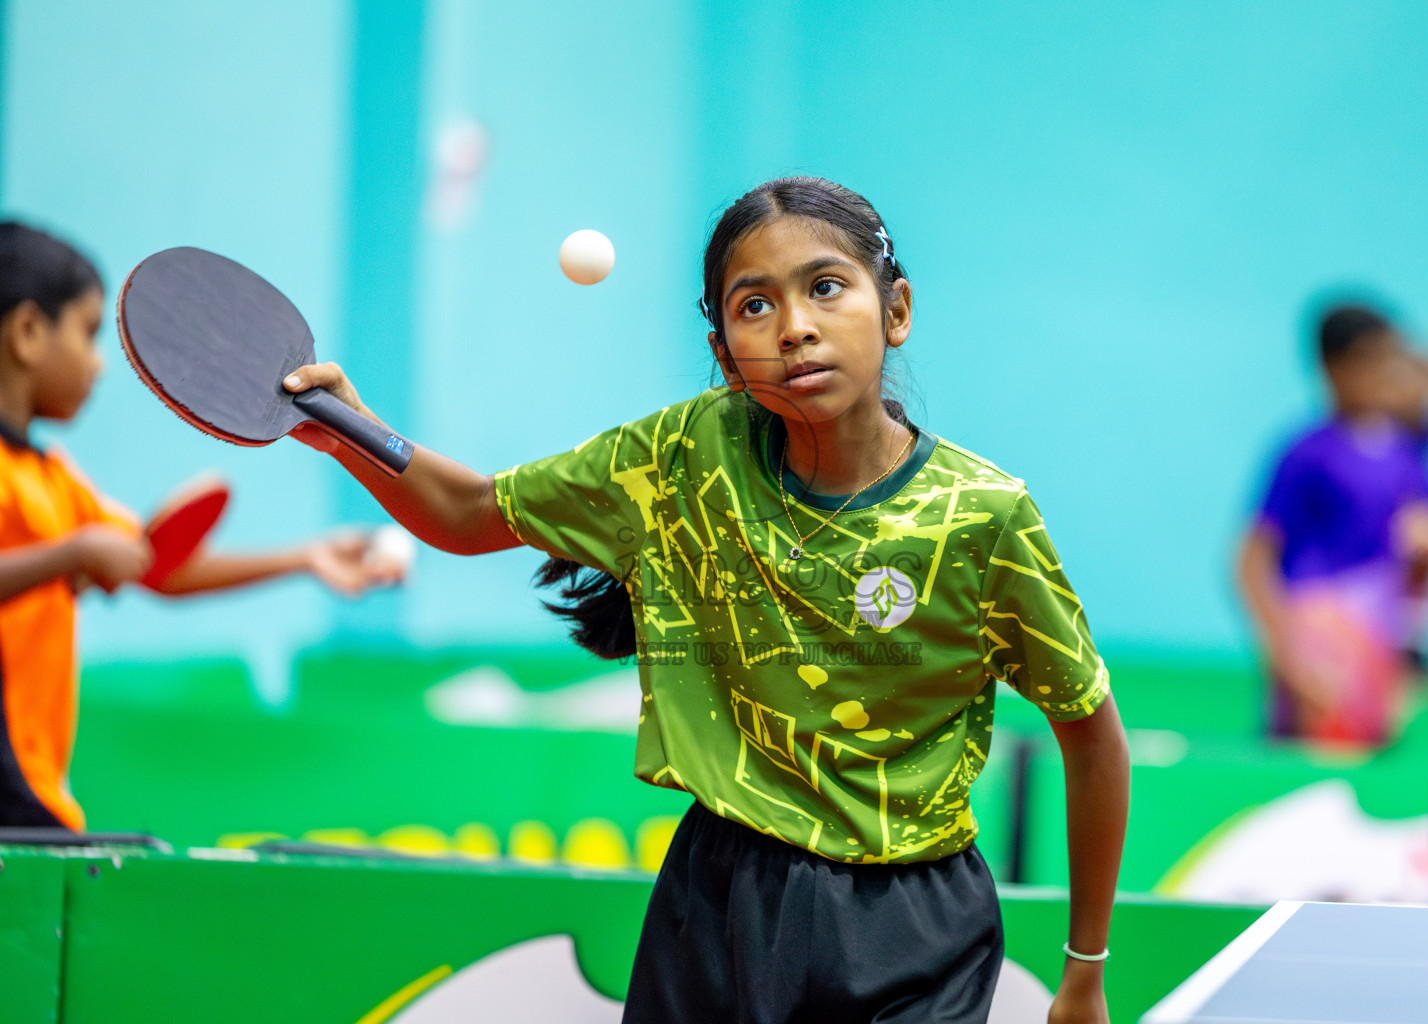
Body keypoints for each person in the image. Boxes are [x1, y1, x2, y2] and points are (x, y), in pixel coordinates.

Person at [284, 177, 1129, 1024]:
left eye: (825, 287)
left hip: (912, 922)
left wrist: (1084, 972)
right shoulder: (683, 454)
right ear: (727, 357)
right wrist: (351, 430)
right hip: (721, 901)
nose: (795, 327)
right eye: (755, 306)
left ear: (895, 310)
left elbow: (1090, 733)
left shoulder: (982, 516)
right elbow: (470, 512)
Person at [0, 220, 401, 832]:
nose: (100, 365)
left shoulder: (54, 477)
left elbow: (156, 567)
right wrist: (69, 556)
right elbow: (90, 553)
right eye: (87, 333)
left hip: (34, 789)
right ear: (28, 332)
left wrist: (305, 557)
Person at [1236, 304, 1428, 743]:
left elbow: (1422, 562)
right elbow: (1251, 561)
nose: (1383, 372)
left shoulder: (1407, 455)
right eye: (1368, 359)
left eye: (1390, 357)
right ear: (1329, 367)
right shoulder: (1307, 453)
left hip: (1377, 647)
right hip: (1320, 648)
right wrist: (1287, 655)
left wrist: (1412, 646)